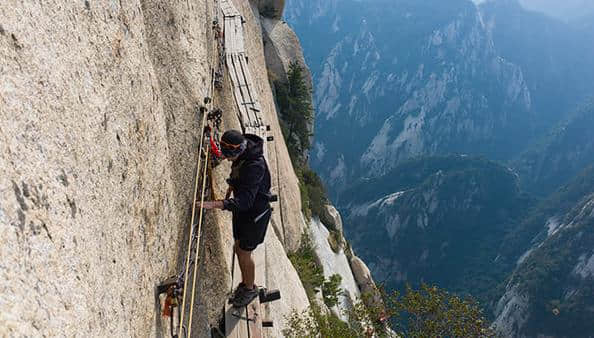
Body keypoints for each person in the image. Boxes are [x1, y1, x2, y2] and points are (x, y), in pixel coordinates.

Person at [198, 130, 272, 307]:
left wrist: (217, 204)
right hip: (247, 212)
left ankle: (249, 289)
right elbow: (238, 172)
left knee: (244, 251)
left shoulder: (255, 166)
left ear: (237, 151)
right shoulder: (244, 151)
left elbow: (246, 201)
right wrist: (233, 185)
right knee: (238, 247)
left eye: (229, 157)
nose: (228, 160)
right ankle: (247, 285)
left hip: (255, 215)